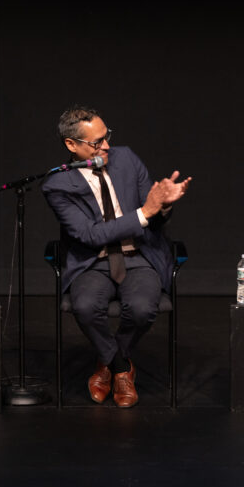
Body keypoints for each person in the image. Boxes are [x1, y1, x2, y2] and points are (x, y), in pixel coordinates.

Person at [42, 106, 191, 408]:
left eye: (106, 136)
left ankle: (106, 361)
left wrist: (162, 207)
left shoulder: (126, 159)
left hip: (139, 254)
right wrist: (145, 212)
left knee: (142, 308)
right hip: (92, 261)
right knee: (84, 306)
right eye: (96, 142)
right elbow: (91, 235)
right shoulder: (58, 184)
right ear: (72, 144)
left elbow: (154, 217)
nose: (106, 145)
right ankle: (122, 368)